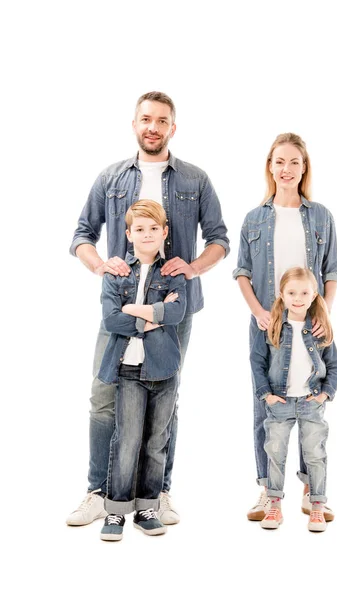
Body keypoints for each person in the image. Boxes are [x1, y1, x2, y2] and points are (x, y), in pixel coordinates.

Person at [67, 91, 229, 527]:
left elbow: (219, 240)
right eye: (145, 119)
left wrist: (192, 267)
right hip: (120, 307)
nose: (153, 126)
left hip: (174, 309)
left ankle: (158, 493)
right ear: (134, 124)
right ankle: (98, 492)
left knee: (165, 399)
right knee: (103, 398)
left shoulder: (195, 179)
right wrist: (100, 263)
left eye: (161, 120)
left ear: (172, 128)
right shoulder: (111, 178)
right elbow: (82, 234)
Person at [233, 133, 337, 522]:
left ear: (304, 167)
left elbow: (332, 271)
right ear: (270, 166)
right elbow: (242, 272)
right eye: (279, 161)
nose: (286, 169)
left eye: (294, 161)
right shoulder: (255, 218)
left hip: (311, 323)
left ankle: (314, 489)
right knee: (267, 401)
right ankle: (268, 489)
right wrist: (260, 311)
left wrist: (323, 314)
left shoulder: (321, 216)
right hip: (269, 323)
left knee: (311, 399)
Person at [98, 200, 186, 540]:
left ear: (164, 232)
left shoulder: (175, 272)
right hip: (128, 369)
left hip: (163, 370)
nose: (146, 235)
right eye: (139, 229)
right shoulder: (116, 272)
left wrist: (133, 310)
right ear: (128, 233)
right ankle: (116, 510)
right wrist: (153, 316)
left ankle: (147, 506)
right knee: (126, 439)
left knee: (155, 441)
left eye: (153, 229)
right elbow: (111, 318)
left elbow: (178, 313)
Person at [250, 267, 337, 531]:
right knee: (275, 453)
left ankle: (317, 506)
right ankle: (274, 506)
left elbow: (334, 364)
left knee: (315, 454)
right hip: (280, 403)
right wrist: (266, 394)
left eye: (304, 293)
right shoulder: (272, 327)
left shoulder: (320, 329)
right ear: (281, 294)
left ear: (314, 296)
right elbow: (257, 362)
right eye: (291, 292)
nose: (297, 298)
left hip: (311, 403)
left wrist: (326, 393)